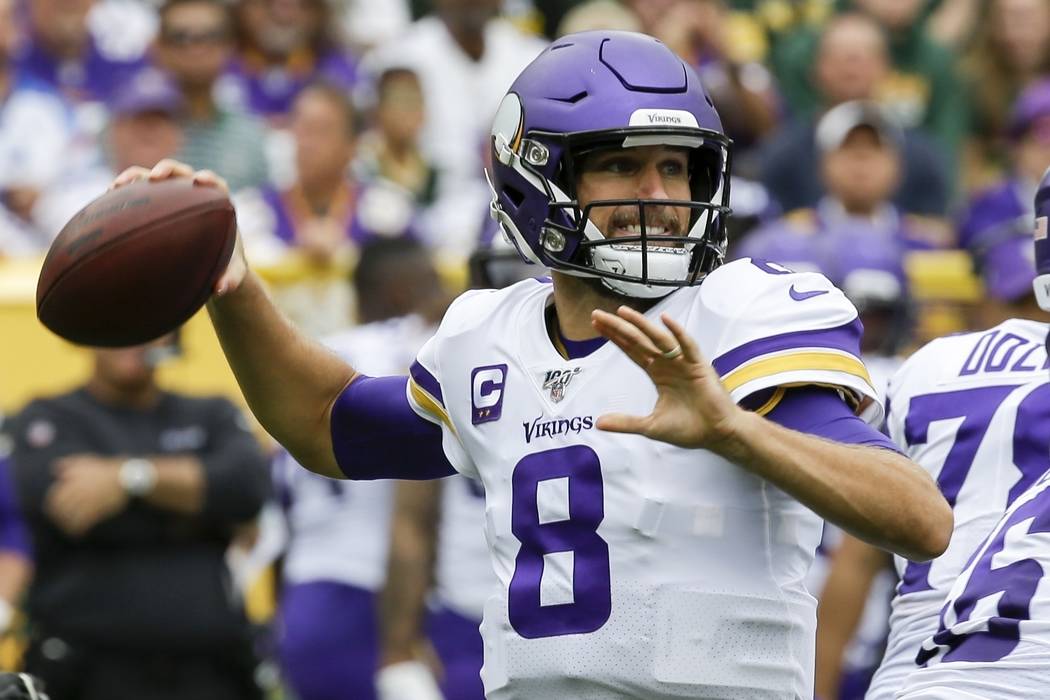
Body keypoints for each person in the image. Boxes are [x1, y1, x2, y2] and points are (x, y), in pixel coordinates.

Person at [112, 31, 951, 699]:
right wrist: (232, 282)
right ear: (535, 178)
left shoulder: (738, 314)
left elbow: (920, 519)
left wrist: (735, 431)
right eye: (620, 164)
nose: (658, 195)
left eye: (676, 167)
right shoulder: (488, 332)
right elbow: (327, 425)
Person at [815, 213, 1050, 699]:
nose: (1030, 315)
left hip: (912, 677)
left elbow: (856, 562)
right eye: (1016, 300)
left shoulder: (927, 367)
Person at [9, 335, 270, 700]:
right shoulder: (48, 416)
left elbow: (247, 488)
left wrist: (130, 478)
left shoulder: (212, 412)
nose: (131, 337)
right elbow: (64, 507)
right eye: (114, 324)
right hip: (85, 669)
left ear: (173, 337)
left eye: (148, 324)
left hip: (210, 668)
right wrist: (195, 504)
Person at [270, 239, 449, 700]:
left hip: (308, 590)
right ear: (401, 291)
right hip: (386, 596)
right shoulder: (426, 347)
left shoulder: (318, 357)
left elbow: (275, 501)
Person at [151, 0, 272, 193]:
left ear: (230, 45)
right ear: (158, 47)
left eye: (211, 36)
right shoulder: (130, 129)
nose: (197, 49)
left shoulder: (250, 134)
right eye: (180, 37)